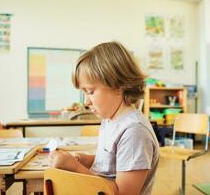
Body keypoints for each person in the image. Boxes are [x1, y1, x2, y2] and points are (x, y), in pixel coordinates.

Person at [49, 41, 159, 195]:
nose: (86, 102)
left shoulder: (134, 132)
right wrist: (85, 160)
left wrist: (75, 167)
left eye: (90, 91)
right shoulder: (110, 120)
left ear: (118, 86)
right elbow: (111, 164)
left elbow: (123, 193)